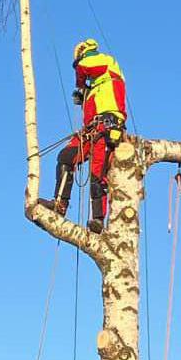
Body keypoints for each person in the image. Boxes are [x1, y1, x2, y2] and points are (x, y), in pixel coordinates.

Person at [40, 37, 126, 233]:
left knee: (98, 172)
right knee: (66, 156)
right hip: (90, 131)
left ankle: (97, 218)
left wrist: (80, 84)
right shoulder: (95, 87)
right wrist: (84, 92)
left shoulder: (106, 63)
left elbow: (85, 66)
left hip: (107, 126)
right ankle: (60, 204)